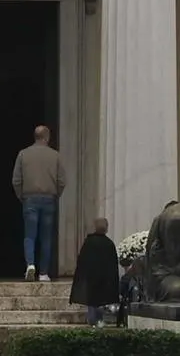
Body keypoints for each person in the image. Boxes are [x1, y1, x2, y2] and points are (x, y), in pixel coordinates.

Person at [12, 123, 66, 280]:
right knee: (46, 237)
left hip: (30, 198)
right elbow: (62, 180)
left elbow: (16, 180)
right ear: (47, 137)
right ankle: (43, 273)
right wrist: (56, 194)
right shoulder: (55, 155)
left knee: (30, 235)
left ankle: (30, 264)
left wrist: (22, 196)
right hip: (49, 198)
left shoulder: (23, 154)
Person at [69, 215, 123, 327]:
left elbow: (82, 262)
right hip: (104, 280)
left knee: (92, 302)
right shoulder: (109, 244)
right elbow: (113, 266)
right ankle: (98, 323)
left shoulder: (89, 242)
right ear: (106, 228)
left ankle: (93, 322)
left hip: (91, 279)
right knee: (100, 303)